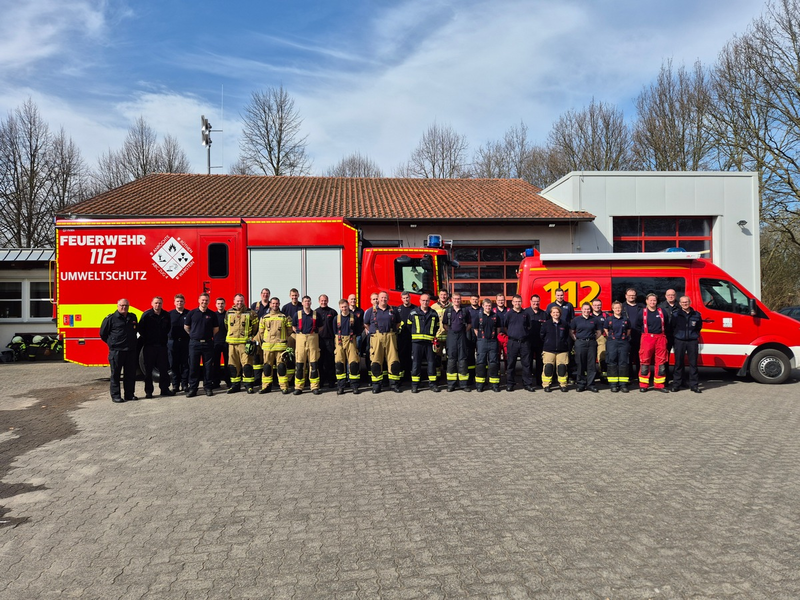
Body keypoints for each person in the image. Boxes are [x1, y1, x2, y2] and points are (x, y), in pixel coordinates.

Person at [99, 298, 139, 403]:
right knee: (116, 374)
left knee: (130, 374)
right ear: (117, 306)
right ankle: (116, 396)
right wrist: (112, 344)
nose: (124, 307)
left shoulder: (132, 317)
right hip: (117, 351)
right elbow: (103, 334)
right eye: (121, 305)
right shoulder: (111, 319)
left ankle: (129, 394)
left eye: (126, 306)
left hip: (130, 350)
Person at [364, 291, 402, 394]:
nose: (383, 299)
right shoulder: (371, 311)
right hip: (376, 337)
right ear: (378, 299)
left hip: (390, 336)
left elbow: (398, 323)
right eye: (381, 298)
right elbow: (366, 324)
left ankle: (394, 384)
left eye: (385, 298)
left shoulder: (393, 310)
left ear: (388, 298)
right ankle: (376, 385)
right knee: (376, 362)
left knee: (393, 361)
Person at [183, 293, 220, 397]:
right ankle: (193, 389)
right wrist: (194, 335)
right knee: (193, 367)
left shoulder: (212, 314)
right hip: (194, 344)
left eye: (206, 300)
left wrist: (207, 336)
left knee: (208, 367)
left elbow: (216, 329)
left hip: (208, 343)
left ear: (209, 301)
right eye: (203, 300)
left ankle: (208, 387)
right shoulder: (192, 313)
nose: (204, 302)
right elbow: (186, 327)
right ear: (199, 300)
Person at [138, 296, 174, 399]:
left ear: (162, 304)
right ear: (152, 304)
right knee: (148, 371)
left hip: (162, 346)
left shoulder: (166, 315)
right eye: (156, 303)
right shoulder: (146, 315)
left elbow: (168, 328)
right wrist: (148, 339)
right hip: (149, 346)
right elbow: (141, 329)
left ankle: (164, 389)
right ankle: (149, 392)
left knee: (164, 369)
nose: (158, 305)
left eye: (159, 303)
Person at [257, 297, 294, 394]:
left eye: (277, 303)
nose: (275, 305)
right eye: (273, 303)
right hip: (268, 347)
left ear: (279, 304)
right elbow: (261, 332)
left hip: (280, 347)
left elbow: (289, 331)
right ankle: (266, 387)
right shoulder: (264, 318)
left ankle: (284, 387)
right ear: (270, 304)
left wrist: (283, 340)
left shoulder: (284, 317)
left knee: (281, 367)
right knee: (267, 368)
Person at [224, 293, 259, 394]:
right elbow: (226, 325)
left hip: (245, 344)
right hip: (232, 344)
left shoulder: (251, 313)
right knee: (233, 366)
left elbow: (255, 327)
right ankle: (235, 386)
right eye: (237, 301)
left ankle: (249, 386)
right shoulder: (229, 313)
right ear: (234, 301)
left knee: (247, 365)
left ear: (244, 301)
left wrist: (251, 338)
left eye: (241, 301)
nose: (239, 303)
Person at [636, 293, 670, 393]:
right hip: (647, 338)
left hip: (660, 338)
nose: (652, 302)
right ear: (646, 301)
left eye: (654, 300)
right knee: (644, 361)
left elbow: (667, 324)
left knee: (661, 362)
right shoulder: (642, 312)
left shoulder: (662, 311)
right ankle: (643, 385)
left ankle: (659, 385)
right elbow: (638, 325)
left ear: (657, 301)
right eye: (650, 300)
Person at [407, 293, 440, 393]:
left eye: (427, 301)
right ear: (419, 301)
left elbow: (437, 326)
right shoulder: (413, 313)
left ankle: (433, 384)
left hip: (429, 342)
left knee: (431, 363)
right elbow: (409, 326)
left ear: (429, 302)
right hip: (417, 342)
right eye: (423, 300)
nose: (425, 302)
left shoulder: (434, 313)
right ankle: (415, 385)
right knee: (416, 363)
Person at [670, 296, 703, 393]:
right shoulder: (676, 315)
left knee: (693, 364)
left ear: (690, 302)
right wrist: (677, 335)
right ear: (679, 303)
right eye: (683, 302)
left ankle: (694, 385)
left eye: (687, 302)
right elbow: (672, 327)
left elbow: (699, 327)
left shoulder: (696, 315)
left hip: (692, 341)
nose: (685, 304)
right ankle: (676, 384)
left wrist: (694, 335)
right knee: (678, 363)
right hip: (679, 341)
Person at [504, 295, 534, 392]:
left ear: (521, 302)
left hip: (524, 342)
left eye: (519, 301)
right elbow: (505, 327)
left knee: (526, 364)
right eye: (515, 301)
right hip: (512, 342)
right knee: (511, 364)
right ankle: (510, 384)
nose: (517, 303)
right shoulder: (508, 314)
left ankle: (527, 384)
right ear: (512, 302)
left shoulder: (526, 314)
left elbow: (529, 326)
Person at [293, 296, 322, 395]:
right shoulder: (297, 314)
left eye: (308, 301)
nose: (307, 303)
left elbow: (320, 327)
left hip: (313, 338)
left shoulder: (315, 314)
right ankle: (299, 387)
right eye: (305, 301)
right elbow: (293, 326)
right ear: (302, 303)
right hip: (300, 339)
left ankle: (314, 386)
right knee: (300, 364)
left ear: (311, 302)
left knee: (313, 364)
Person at [442, 292, 471, 392]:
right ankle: (451, 384)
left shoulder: (465, 311)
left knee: (462, 359)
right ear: (452, 300)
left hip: (462, 336)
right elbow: (444, 324)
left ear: (460, 300)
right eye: (455, 299)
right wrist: (451, 332)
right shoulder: (448, 311)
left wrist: (463, 331)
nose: (457, 301)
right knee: (451, 360)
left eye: (458, 299)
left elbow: (469, 324)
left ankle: (463, 384)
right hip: (451, 336)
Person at [570, 302, 600, 392]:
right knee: (580, 364)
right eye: (585, 309)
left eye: (588, 309)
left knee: (591, 364)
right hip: (580, 343)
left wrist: (593, 339)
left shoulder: (594, 320)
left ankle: (591, 384)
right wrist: (576, 340)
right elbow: (571, 331)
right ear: (582, 309)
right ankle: (581, 384)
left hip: (591, 343)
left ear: (590, 310)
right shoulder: (576, 320)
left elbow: (599, 331)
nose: (586, 311)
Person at [473, 298, 501, 392]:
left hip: (493, 342)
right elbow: (476, 329)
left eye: (489, 306)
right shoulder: (479, 316)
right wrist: (481, 338)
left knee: (493, 363)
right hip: (482, 341)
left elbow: (498, 328)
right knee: (481, 363)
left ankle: (494, 384)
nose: (488, 307)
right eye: (486, 306)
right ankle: (480, 385)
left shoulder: (496, 316)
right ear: (483, 306)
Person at [604, 301, 632, 393]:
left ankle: (623, 384)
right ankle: (613, 384)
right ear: (612, 309)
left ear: (621, 309)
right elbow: (606, 330)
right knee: (612, 361)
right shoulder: (609, 319)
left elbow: (628, 330)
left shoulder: (626, 319)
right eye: (615, 308)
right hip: (612, 342)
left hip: (623, 342)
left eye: (619, 308)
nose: (617, 309)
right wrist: (612, 338)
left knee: (623, 362)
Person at [334, 299, 361, 395]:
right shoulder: (336, 318)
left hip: (351, 341)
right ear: (340, 308)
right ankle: (341, 387)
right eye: (342, 307)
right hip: (340, 342)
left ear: (348, 306)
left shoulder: (354, 318)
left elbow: (358, 330)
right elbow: (335, 331)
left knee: (353, 364)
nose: (344, 308)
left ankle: (354, 386)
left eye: (345, 306)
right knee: (339, 365)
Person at [540, 305, 570, 392]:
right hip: (549, 349)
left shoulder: (564, 324)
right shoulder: (546, 324)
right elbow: (542, 336)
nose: (556, 314)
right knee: (548, 367)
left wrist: (565, 345)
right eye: (554, 312)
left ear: (560, 314)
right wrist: (548, 342)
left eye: (557, 312)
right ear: (551, 314)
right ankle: (546, 385)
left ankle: (563, 384)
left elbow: (567, 336)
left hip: (562, 350)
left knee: (562, 368)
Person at [168, 294, 190, 393]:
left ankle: (185, 385)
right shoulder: (169, 314)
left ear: (184, 302)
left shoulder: (189, 314)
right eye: (177, 301)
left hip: (186, 342)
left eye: (181, 301)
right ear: (174, 303)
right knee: (174, 364)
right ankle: (175, 385)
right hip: (173, 342)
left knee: (185, 364)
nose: (179, 303)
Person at [524, 294, 548, 388]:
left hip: (540, 342)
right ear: (530, 301)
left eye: (537, 301)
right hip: (528, 342)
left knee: (540, 363)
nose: (535, 303)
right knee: (528, 362)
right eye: (534, 301)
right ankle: (528, 383)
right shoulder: (525, 313)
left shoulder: (544, 314)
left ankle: (540, 381)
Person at [250, 287, 271, 389]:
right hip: (257, 334)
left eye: (267, 294)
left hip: (268, 334)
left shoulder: (272, 305)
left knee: (267, 356)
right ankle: (257, 378)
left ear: (269, 295)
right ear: (260, 294)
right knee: (256, 357)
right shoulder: (255, 306)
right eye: (263, 293)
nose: (265, 295)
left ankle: (268, 378)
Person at [316, 294, 338, 388]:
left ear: (327, 301)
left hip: (330, 339)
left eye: (325, 300)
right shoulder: (315, 312)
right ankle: (321, 381)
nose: (323, 302)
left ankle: (331, 380)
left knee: (330, 361)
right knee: (320, 361)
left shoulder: (332, 312)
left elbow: (337, 325)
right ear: (319, 301)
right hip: (319, 340)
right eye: (322, 300)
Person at [659, 289, 680, 385]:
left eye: (672, 295)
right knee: (664, 358)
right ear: (665, 296)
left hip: (678, 335)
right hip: (665, 335)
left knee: (679, 358)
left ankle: (678, 380)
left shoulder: (680, 306)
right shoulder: (660, 307)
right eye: (669, 295)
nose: (671, 296)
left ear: (675, 296)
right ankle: (665, 379)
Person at [430, 289, 452, 382]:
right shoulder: (433, 307)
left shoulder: (451, 306)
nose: (443, 296)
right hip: (438, 336)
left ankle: (449, 375)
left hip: (449, 336)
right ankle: (438, 375)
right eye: (441, 294)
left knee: (449, 356)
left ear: (447, 296)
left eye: (445, 295)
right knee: (437, 356)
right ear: (439, 296)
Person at [395, 291, 417, 381]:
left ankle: (410, 375)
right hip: (402, 337)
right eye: (404, 298)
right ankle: (401, 377)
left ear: (410, 298)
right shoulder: (398, 309)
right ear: (401, 299)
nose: (406, 300)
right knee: (401, 356)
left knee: (412, 357)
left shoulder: (415, 309)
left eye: (407, 298)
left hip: (413, 337)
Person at [623, 288, 643, 379]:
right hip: (626, 335)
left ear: (636, 296)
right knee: (628, 357)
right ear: (626, 296)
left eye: (633, 295)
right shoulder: (622, 306)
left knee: (640, 357)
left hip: (639, 334)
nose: (631, 297)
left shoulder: (642, 307)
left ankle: (640, 376)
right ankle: (629, 376)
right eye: (629, 295)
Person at [212, 297, 230, 390]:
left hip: (227, 342)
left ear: (225, 304)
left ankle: (228, 381)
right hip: (216, 342)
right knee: (216, 363)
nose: (220, 305)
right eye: (218, 303)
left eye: (222, 303)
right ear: (216, 305)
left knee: (228, 363)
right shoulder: (213, 315)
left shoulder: (228, 315)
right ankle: (216, 382)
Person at [466, 294, 482, 383]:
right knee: (470, 355)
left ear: (478, 300)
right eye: (473, 299)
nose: (474, 301)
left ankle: (480, 376)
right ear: (470, 300)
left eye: (476, 299)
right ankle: (470, 377)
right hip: (469, 333)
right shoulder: (466, 310)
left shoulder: (482, 310)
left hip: (480, 334)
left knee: (480, 355)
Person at [591, 298, 608, 382]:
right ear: (592, 306)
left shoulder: (605, 316)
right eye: (595, 305)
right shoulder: (589, 315)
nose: (597, 307)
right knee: (591, 357)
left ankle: (603, 375)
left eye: (599, 305)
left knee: (602, 357)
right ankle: (592, 375)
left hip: (602, 339)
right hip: (590, 338)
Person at [494, 293, 510, 374]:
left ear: (504, 301)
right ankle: (498, 370)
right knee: (497, 354)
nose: (501, 302)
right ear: (496, 301)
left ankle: (508, 370)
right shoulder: (493, 311)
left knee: (507, 354)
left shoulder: (509, 311)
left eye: (502, 300)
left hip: (507, 336)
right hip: (496, 336)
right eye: (499, 300)